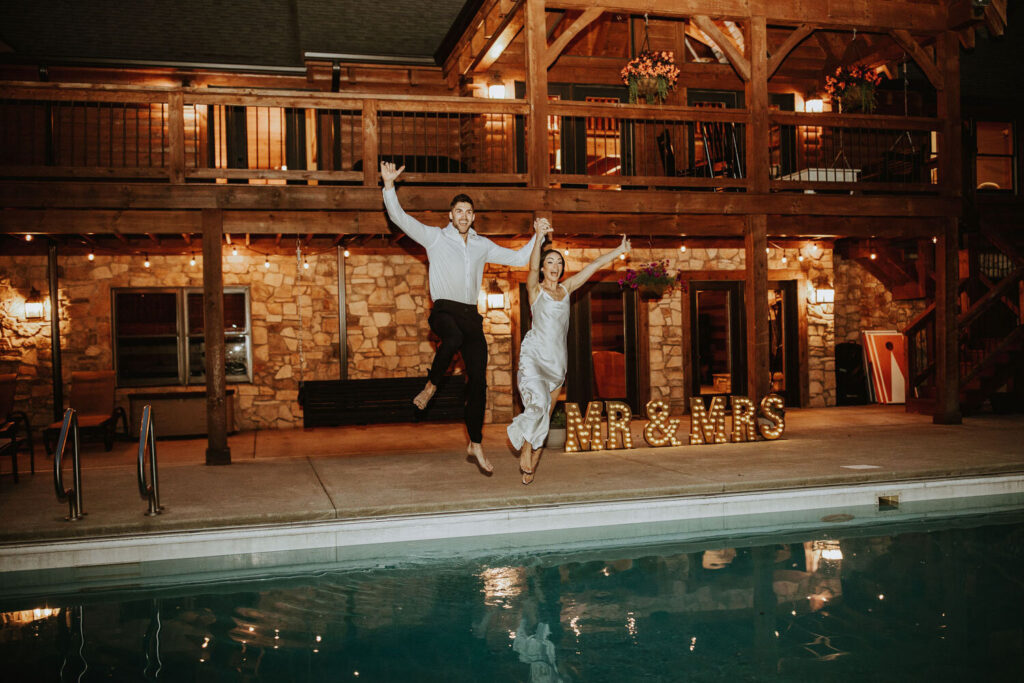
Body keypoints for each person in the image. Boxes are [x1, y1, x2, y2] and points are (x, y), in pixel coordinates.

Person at [380, 160, 539, 475]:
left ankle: (475, 442)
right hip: (444, 311)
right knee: (451, 338)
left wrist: (538, 235)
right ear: (450, 216)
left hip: (470, 316)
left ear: (473, 216)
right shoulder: (435, 238)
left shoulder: (482, 245)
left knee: (479, 381)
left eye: (468, 212)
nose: (463, 216)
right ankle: (431, 386)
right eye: (458, 211)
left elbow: (520, 257)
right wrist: (388, 185)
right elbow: (399, 218)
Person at [507, 227, 630, 484]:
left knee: (546, 414)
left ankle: (535, 457)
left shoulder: (566, 289)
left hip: (557, 362)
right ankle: (526, 448)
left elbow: (593, 266)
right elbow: (531, 268)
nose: (555, 266)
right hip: (534, 356)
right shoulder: (535, 290)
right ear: (543, 268)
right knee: (538, 404)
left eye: (559, 262)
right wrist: (539, 239)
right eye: (550, 262)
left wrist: (618, 251)